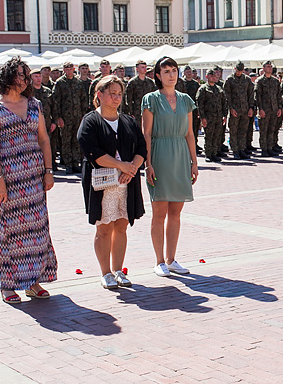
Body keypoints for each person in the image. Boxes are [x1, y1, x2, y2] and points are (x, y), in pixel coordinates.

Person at [0, 58, 58, 303]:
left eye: (26, 76)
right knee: (10, 231)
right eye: (19, 76)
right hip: (8, 179)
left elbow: (44, 139)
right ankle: (8, 285)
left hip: (34, 178)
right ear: (8, 77)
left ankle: (33, 282)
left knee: (36, 230)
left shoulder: (34, 104)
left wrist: (48, 170)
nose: (24, 80)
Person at [76, 76, 147, 290]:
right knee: (104, 228)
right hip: (102, 185)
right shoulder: (91, 120)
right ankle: (105, 273)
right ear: (99, 94)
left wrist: (131, 168)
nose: (116, 98)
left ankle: (119, 270)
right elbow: (93, 152)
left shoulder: (127, 121)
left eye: (119, 94)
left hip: (126, 183)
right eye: (112, 93)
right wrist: (121, 165)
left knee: (122, 226)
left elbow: (141, 148)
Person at [142, 58, 197, 278]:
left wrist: (194, 162)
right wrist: (148, 164)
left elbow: (190, 133)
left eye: (174, 71)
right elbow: (146, 133)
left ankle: (171, 259)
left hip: (181, 156)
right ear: (157, 75)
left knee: (176, 212)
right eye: (166, 71)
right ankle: (159, 261)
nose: (171, 75)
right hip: (160, 154)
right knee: (159, 212)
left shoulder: (186, 100)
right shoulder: (151, 99)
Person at [51, 61, 87, 174]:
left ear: (73, 69)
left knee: (76, 140)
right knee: (66, 141)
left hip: (77, 116)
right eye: (66, 69)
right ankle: (68, 164)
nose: (68, 71)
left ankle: (76, 163)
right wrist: (58, 118)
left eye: (70, 69)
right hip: (65, 117)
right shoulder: (60, 83)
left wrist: (83, 115)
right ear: (64, 70)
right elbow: (56, 101)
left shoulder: (78, 82)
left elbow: (83, 99)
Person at [224, 62, 255, 160]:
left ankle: (242, 149)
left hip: (245, 109)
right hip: (235, 110)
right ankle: (235, 150)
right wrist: (231, 108)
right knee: (234, 131)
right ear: (234, 69)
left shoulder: (247, 80)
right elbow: (227, 96)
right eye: (237, 70)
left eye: (241, 70)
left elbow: (251, 95)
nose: (239, 72)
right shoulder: (229, 80)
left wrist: (251, 107)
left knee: (243, 131)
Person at [196, 68, 227, 162]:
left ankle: (214, 153)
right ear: (207, 76)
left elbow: (223, 103)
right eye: (211, 75)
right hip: (208, 117)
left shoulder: (218, 89)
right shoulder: (203, 89)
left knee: (217, 135)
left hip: (218, 116)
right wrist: (202, 117)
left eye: (215, 76)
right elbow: (200, 104)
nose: (213, 77)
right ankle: (208, 154)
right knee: (209, 136)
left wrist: (224, 115)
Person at [255, 62, 283, 157]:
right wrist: (260, 109)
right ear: (263, 68)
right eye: (268, 67)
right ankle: (264, 149)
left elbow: (279, 96)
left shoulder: (275, 81)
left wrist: (279, 108)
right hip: (264, 109)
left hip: (274, 109)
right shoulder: (260, 81)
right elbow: (257, 97)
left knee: (272, 130)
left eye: (271, 67)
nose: (270, 68)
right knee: (264, 131)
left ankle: (270, 148)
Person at [124, 60, 156, 129]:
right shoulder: (132, 82)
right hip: (137, 112)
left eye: (145, 67)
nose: (144, 69)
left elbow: (154, 97)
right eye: (142, 67)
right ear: (137, 69)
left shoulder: (150, 82)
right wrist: (131, 112)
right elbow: (128, 99)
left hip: (149, 110)